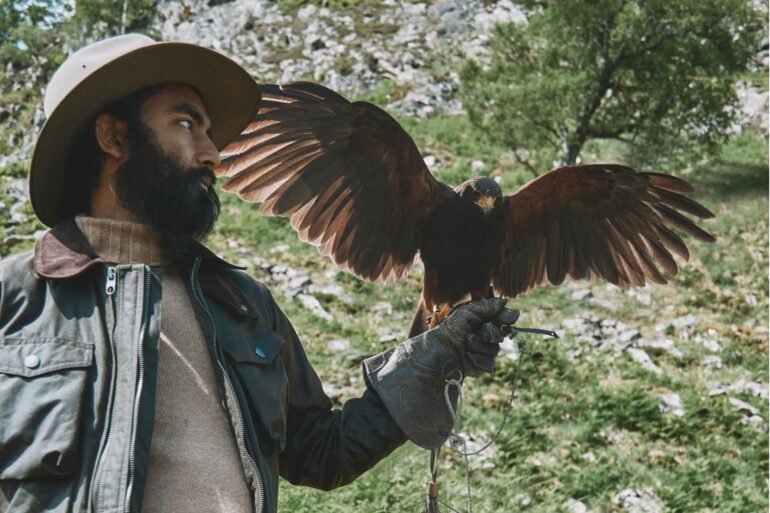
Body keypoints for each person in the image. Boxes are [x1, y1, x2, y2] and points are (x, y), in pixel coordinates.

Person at [0, 34, 517, 513]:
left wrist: (433, 359)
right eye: (185, 125)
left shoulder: (243, 305)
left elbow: (323, 453)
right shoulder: (15, 299)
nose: (212, 153)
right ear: (114, 137)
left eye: (209, 131)